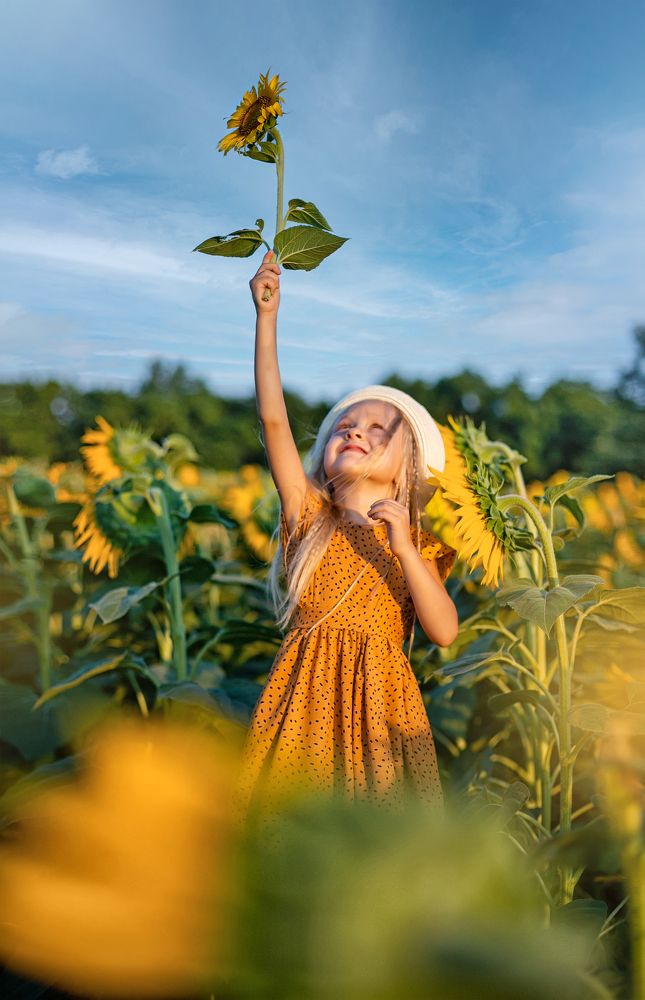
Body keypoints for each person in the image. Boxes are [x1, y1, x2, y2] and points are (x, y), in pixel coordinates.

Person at [234, 250, 458, 821]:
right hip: (304, 698)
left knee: (372, 841)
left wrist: (405, 547)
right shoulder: (308, 515)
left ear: (408, 469)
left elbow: (444, 632)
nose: (356, 430)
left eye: (377, 429)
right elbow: (274, 421)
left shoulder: (420, 545)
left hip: (382, 706)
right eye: (345, 426)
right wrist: (267, 320)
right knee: (296, 830)